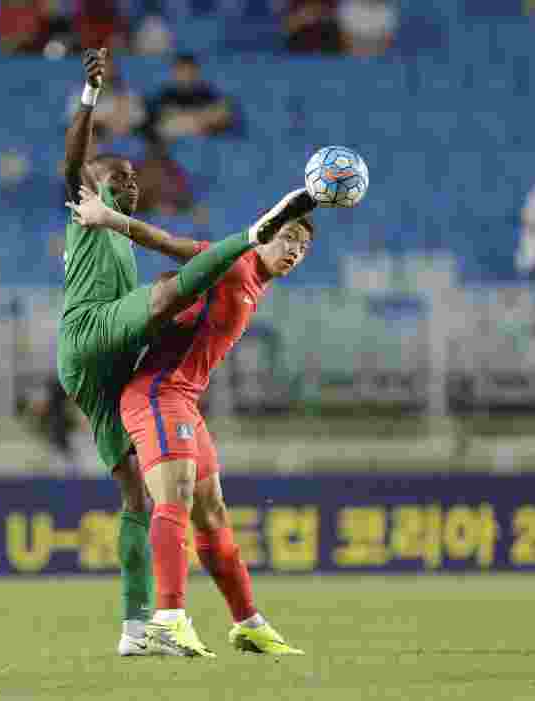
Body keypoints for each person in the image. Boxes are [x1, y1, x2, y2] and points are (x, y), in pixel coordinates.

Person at [58, 48, 316, 656]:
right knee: (165, 300)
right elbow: (84, 172)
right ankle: (170, 620)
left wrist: (292, 217)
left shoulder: (244, 277)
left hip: (123, 370)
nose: (128, 183)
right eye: (116, 177)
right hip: (98, 338)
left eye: (132, 179)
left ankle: (158, 627)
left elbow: (166, 242)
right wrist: (91, 99)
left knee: (148, 497)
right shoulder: (88, 213)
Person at [146, 54, 234, 141]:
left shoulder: (208, 93)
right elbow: (155, 121)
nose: (186, 75)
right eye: (182, 71)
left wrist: (203, 117)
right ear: (174, 73)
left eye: (189, 71)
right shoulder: (165, 95)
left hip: (202, 136)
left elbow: (223, 117)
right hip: (173, 137)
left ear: (196, 72)